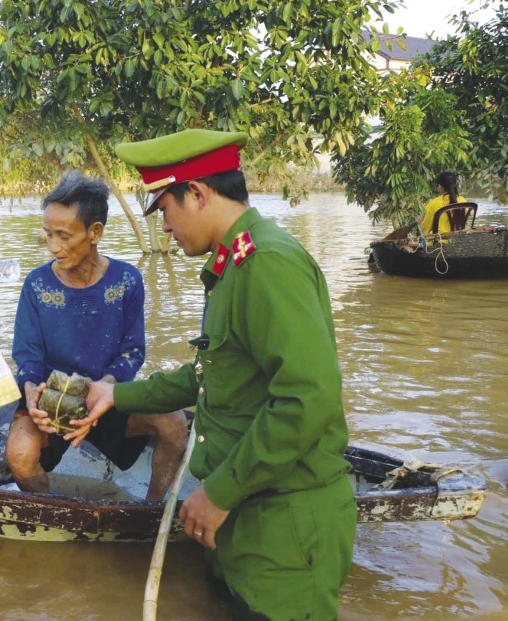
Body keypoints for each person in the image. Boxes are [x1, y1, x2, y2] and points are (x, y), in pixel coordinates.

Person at [82, 129, 356, 620]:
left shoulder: (267, 264)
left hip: (283, 525)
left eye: (165, 209)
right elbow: (207, 375)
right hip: (246, 514)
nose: (165, 226)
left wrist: (219, 491)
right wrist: (116, 395)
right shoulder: (232, 264)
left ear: (197, 193)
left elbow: (307, 399)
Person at [7, 170, 188, 502]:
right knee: (19, 454)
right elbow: (27, 355)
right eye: (48, 235)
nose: (53, 247)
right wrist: (31, 393)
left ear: (95, 232)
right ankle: (53, 510)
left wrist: (102, 389)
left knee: (175, 425)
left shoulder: (126, 280)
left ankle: (150, 511)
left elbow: (132, 353)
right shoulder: (37, 284)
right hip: (51, 402)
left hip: (107, 394)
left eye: (63, 236)